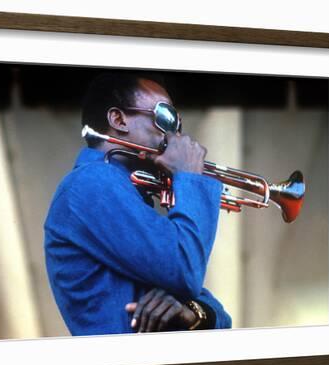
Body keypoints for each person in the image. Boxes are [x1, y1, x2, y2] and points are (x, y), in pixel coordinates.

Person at [44, 72, 231, 336]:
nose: (175, 133)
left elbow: (218, 314)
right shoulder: (92, 182)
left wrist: (193, 312)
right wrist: (189, 178)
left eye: (177, 122)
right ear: (118, 120)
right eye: (165, 117)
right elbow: (184, 269)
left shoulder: (122, 188)